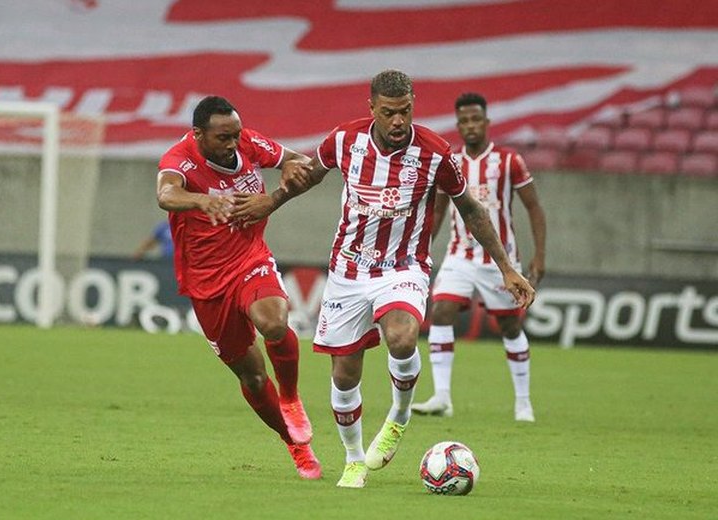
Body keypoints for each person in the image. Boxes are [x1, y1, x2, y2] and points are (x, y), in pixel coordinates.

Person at [231, 70, 535, 488]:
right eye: (389, 112)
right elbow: (306, 176)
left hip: (403, 266)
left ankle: (399, 414)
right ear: (371, 108)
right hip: (348, 271)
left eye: (406, 111)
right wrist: (271, 201)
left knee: (402, 338)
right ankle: (354, 459)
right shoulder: (343, 140)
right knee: (344, 374)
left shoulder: (435, 153)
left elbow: (471, 210)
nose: (398, 121)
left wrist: (506, 267)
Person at [156, 95, 321, 479]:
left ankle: (292, 397)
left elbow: (308, 165)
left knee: (275, 324)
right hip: (206, 282)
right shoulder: (179, 160)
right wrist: (201, 200)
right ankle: (295, 445)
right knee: (252, 376)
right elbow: (166, 193)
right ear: (198, 135)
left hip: (250, 258)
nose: (232, 144)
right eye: (223, 138)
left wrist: (282, 189)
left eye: (236, 135)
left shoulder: (248, 142)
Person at [411, 92, 547, 422]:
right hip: (459, 254)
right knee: (441, 311)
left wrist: (539, 256)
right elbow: (439, 209)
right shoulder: (451, 161)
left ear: (486, 123)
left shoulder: (508, 161)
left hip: (499, 259)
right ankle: (442, 397)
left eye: (476, 120)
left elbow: (533, 207)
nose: (470, 126)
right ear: (458, 125)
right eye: (464, 121)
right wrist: (420, 250)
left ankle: (523, 402)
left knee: (510, 324)